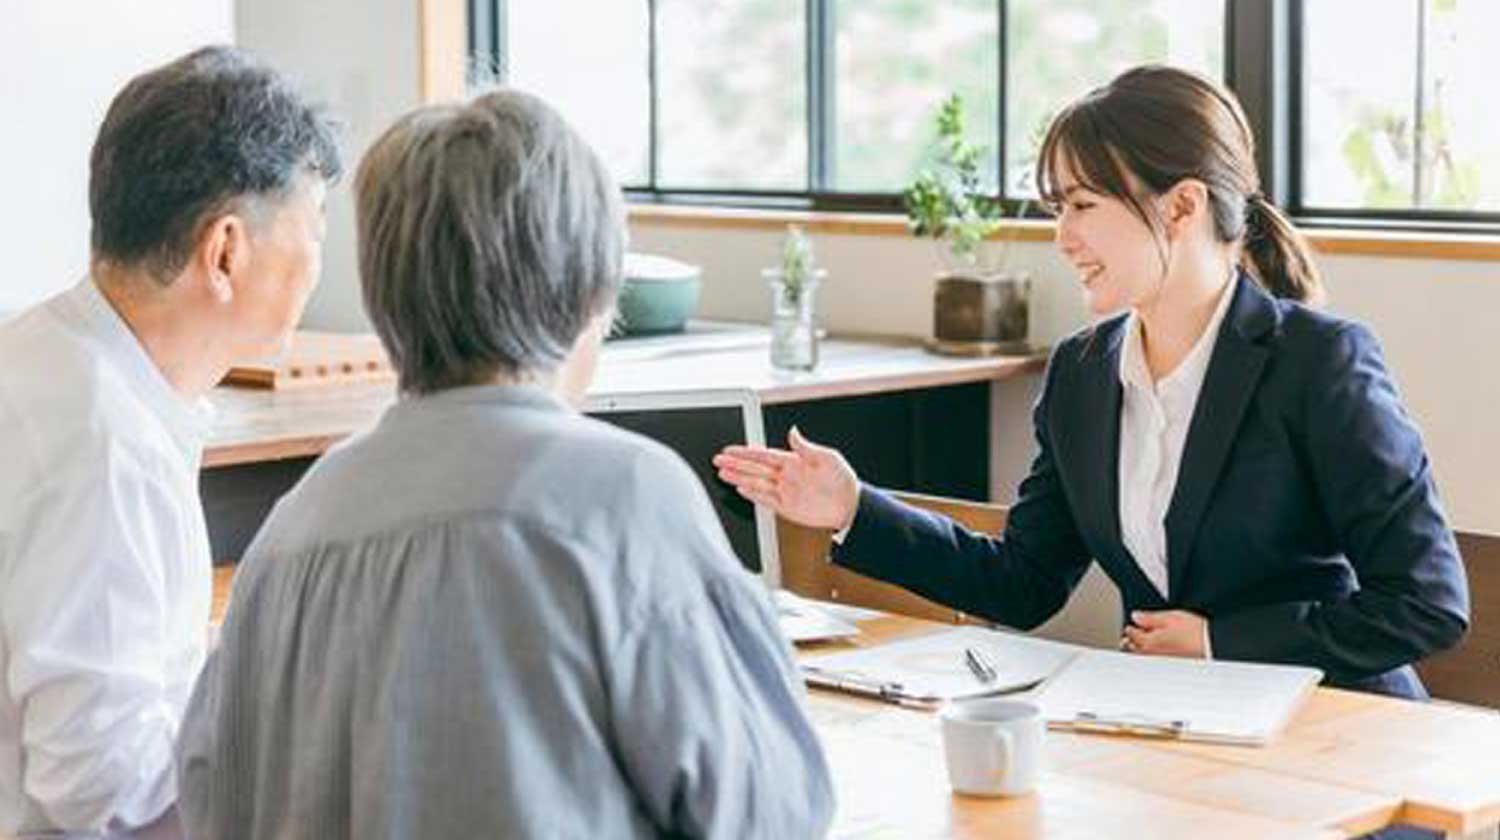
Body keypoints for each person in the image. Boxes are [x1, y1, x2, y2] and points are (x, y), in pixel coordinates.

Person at [175, 90, 834, 839]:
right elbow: (772, 812)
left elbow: (208, 800)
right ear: (592, 290)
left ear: (386, 295)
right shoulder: (626, 500)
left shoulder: (295, 528)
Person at [715, 65, 1469, 700]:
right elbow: (1024, 581)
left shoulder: (1319, 361)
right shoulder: (1082, 374)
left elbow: (1426, 603)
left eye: (1082, 205)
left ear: (1182, 206)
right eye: (1056, 208)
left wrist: (1218, 643)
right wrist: (853, 507)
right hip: (1172, 727)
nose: (1063, 236)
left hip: (1335, 731)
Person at [0, 47, 339, 839]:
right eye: (315, 225)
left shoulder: (39, 358)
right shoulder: (106, 447)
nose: (320, 261)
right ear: (225, 251)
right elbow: (102, 789)